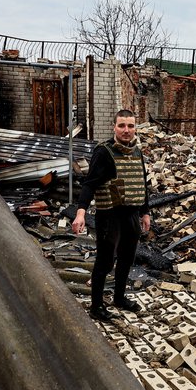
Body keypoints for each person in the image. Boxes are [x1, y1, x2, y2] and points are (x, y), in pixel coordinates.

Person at [72, 109, 151, 320]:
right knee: (105, 262)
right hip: (110, 216)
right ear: (114, 127)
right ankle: (96, 306)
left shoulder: (137, 151)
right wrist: (80, 213)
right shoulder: (103, 152)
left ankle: (119, 298)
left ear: (135, 127)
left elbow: (142, 183)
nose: (127, 130)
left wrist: (145, 213)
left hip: (131, 214)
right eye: (122, 126)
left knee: (127, 258)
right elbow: (89, 184)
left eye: (131, 126)